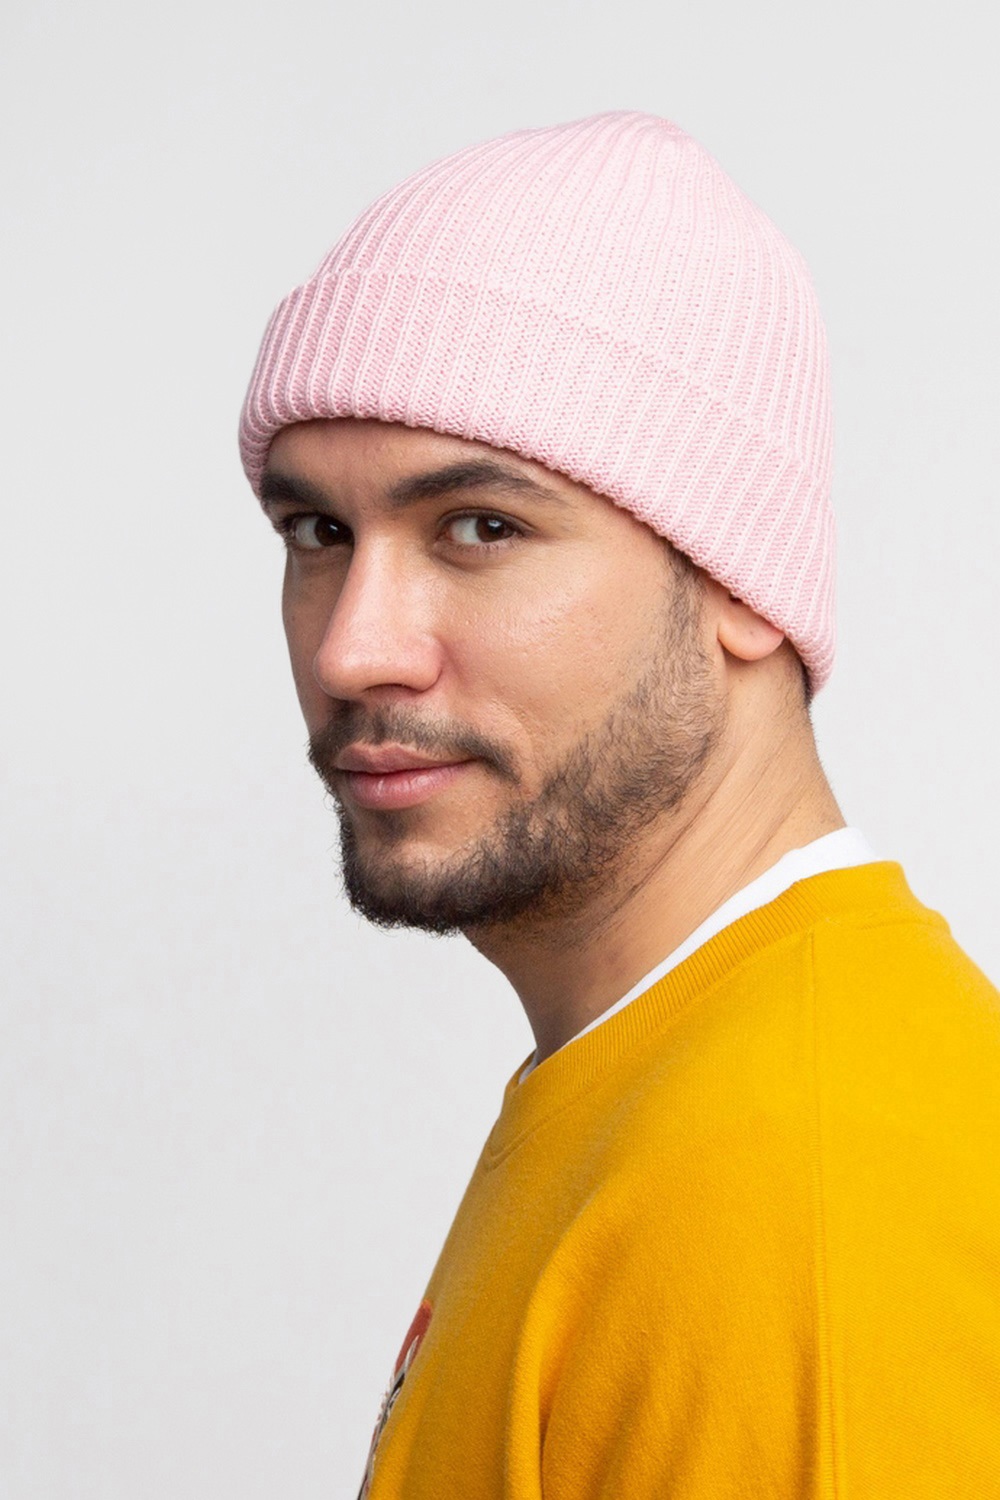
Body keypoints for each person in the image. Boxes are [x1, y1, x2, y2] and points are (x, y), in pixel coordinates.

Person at [239, 112, 1000, 1498]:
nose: (352, 649)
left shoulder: (798, 1183)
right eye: (318, 532)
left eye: (481, 527)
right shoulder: (669, 1084)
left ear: (741, 584)